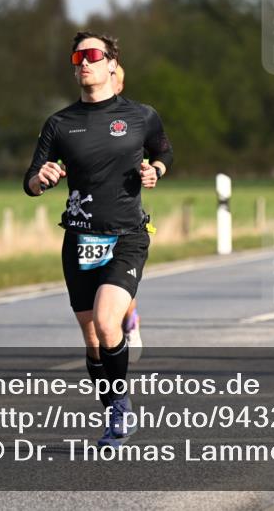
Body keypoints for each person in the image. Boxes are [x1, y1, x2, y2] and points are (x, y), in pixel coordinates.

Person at [23, 31, 172, 446]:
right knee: (92, 341)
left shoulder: (142, 116)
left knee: (109, 324)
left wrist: (154, 171)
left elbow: (164, 152)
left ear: (111, 63)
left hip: (127, 236)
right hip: (79, 240)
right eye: (77, 56)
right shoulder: (59, 123)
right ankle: (111, 408)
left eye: (92, 54)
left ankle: (121, 411)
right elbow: (30, 180)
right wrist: (42, 179)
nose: (83, 62)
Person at [111, 65, 143, 362]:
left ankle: (130, 321)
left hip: (126, 219)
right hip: (88, 221)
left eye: (116, 79)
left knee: (119, 280)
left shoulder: (135, 119)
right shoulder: (76, 120)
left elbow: (159, 154)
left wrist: (152, 170)